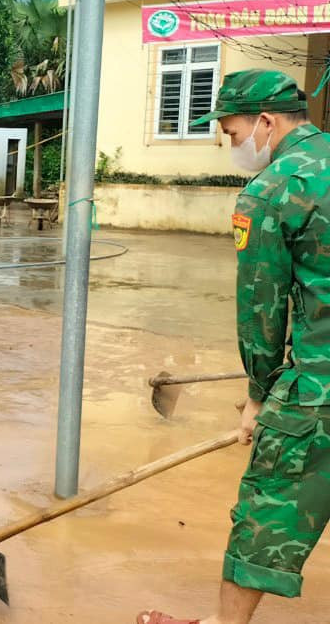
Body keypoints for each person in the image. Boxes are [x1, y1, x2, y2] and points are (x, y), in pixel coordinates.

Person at [139, 70, 330, 624]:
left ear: (266, 122)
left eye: (230, 132)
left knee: (266, 514)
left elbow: (262, 312)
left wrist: (260, 396)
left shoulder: (272, 190)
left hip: (319, 389)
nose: (231, 144)